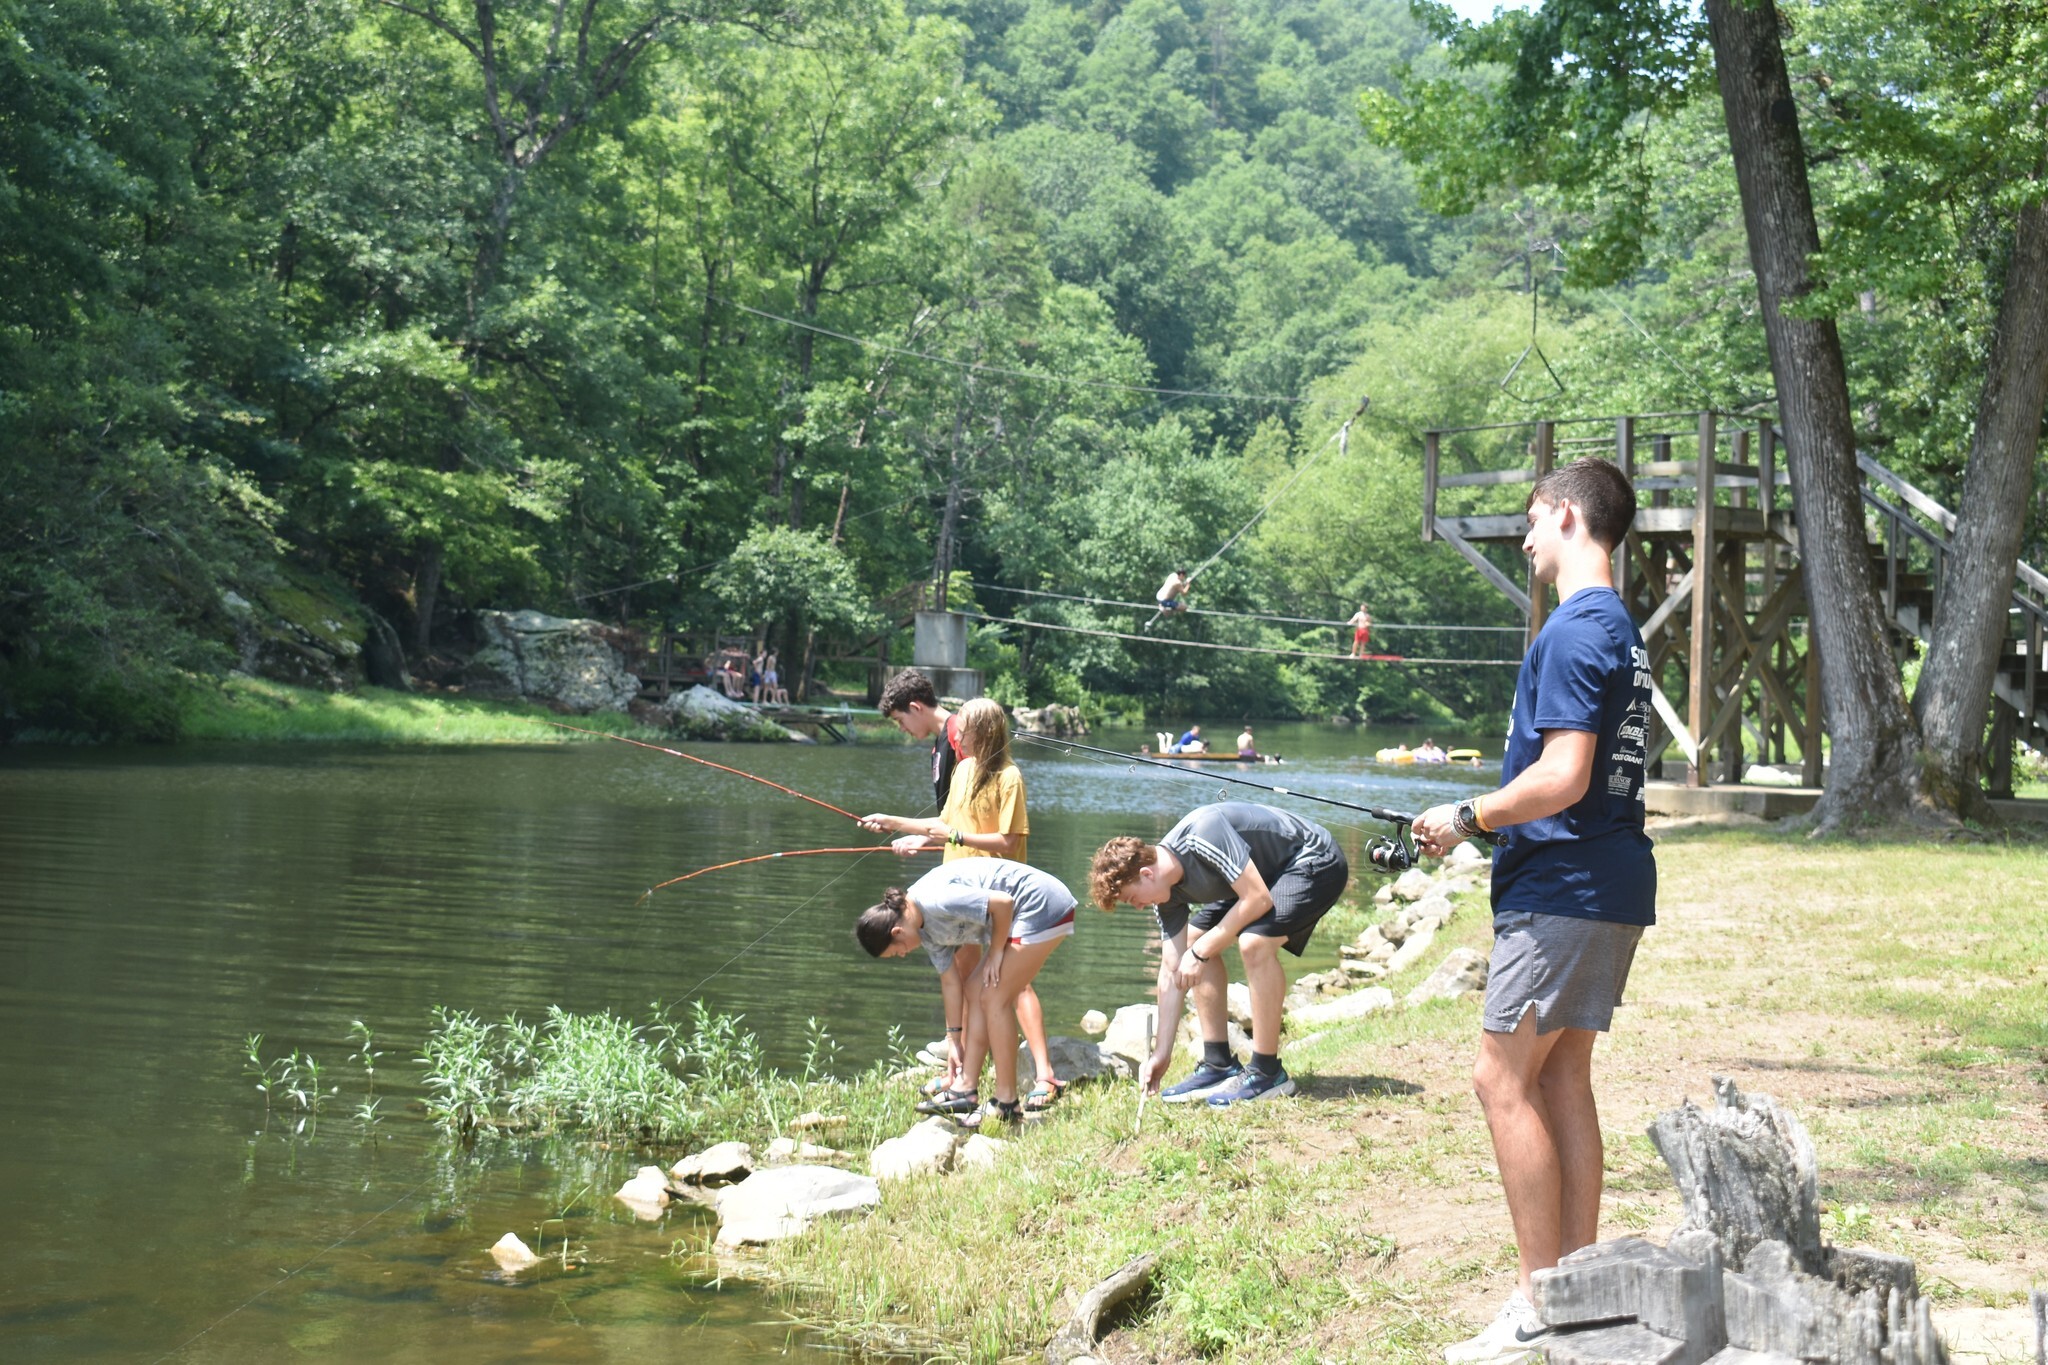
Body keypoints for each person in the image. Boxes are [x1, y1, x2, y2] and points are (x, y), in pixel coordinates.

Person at [1411, 457, 1655, 1365]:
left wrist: (1467, 814)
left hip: (1565, 892)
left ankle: (1538, 1306)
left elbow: (1563, 777)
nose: (1521, 538)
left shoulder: (1572, 629)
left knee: (1498, 1077)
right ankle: (1581, 1293)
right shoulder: (1621, 627)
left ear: (1563, 515)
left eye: (1528, 520)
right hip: (1608, 883)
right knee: (1559, 1079)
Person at [865, 682, 1064, 1111]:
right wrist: (898, 825)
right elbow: (944, 822)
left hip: (999, 889)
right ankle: (964, 1077)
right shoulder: (963, 770)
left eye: (964, 732)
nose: (956, 736)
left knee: (1012, 982)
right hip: (959, 885)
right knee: (974, 981)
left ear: (983, 733)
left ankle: (1044, 1074)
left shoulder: (1009, 778)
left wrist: (950, 834)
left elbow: (1007, 841)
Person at [1088, 801, 1349, 1107]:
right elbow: (1171, 970)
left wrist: (1200, 952)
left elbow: (1256, 898)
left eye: (1133, 898)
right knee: (1194, 942)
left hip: (1314, 859)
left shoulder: (1202, 834)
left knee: (1253, 943)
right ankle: (1218, 1064)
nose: (1139, 906)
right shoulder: (1166, 895)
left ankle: (1268, 1071)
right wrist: (1162, 1053)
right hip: (1265, 877)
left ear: (1146, 873)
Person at [854, 859, 1077, 1128]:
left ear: (897, 932)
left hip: (1041, 904)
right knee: (974, 987)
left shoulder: (935, 901)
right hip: (1018, 916)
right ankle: (966, 1088)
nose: (903, 954)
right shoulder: (922, 930)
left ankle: (1006, 1102)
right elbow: (951, 983)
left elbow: (1003, 902)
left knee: (995, 996)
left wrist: (995, 952)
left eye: (897, 951)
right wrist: (954, 1040)